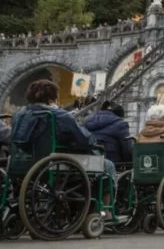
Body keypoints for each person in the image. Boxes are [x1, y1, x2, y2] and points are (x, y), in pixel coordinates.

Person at [11, 81, 117, 214]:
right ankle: (106, 211)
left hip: (22, 163)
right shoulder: (58, 115)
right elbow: (83, 140)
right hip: (54, 163)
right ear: (52, 98)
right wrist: (93, 141)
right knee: (108, 165)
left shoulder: (19, 116)